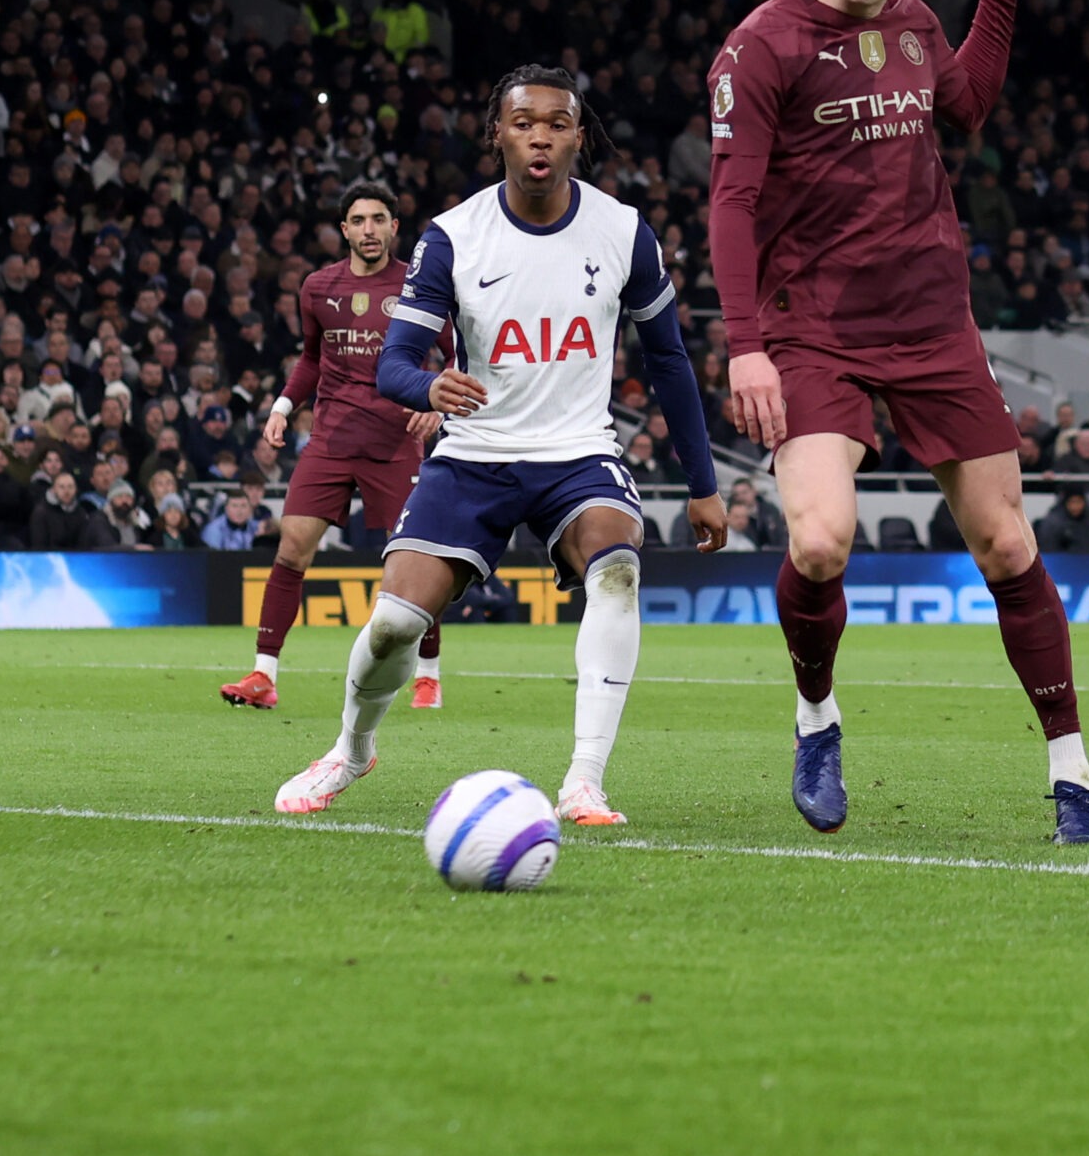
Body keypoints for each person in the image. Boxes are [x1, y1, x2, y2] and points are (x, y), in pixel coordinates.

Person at [708, 0, 1089, 845]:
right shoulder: (761, 46)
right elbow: (732, 202)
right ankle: (816, 719)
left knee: (1007, 546)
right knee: (818, 541)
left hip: (932, 322)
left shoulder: (917, 20)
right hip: (813, 331)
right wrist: (747, 347)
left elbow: (965, 107)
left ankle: (1073, 776)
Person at [272, 64, 726, 826]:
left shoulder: (622, 231)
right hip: (475, 454)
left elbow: (671, 360)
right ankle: (351, 749)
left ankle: (585, 778)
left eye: (556, 121)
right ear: (498, 135)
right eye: (523, 122)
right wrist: (428, 388)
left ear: (579, 135)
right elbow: (393, 363)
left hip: (579, 451)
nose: (540, 135)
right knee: (394, 625)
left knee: (617, 569)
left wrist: (703, 481)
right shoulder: (454, 235)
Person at [223, 180, 446, 712]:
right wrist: (281, 407)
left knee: (417, 562)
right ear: (344, 229)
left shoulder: (420, 288)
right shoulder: (318, 287)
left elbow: (456, 354)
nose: (369, 230)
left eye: (379, 219)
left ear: (395, 226)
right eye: (359, 220)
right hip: (331, 439)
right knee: (291, 549)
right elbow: (311, 359)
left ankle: (429, 676)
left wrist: (436, 402)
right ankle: (263, 674)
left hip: (394, 443)